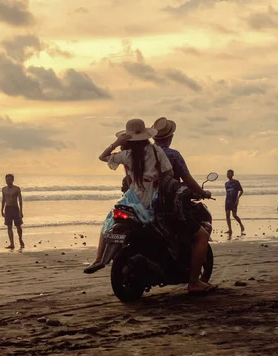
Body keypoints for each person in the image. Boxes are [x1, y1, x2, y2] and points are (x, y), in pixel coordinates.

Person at [84, 119, 173, 274]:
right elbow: (169, 172)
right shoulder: (156, 150)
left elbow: (103, 157)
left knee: (108, 222)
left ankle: (98, 258)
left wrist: (117, 142)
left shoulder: (126, 155)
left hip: (133, 196)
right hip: (152, 195)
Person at [152, 117, 216, 294]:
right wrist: (202, 193)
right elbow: (187, 179)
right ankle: (194, 282)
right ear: (170, 136)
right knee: (201, 236)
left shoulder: (146, 153)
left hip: (146, 207)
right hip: (169, 208)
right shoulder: (172, 155)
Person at [1, 174, 25, 250]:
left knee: (18, 226)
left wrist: (21, 211)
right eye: (7, 179)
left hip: (15, 208)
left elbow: (20, 200)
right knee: (9, 226)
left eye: (9, 179)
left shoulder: (17, 189)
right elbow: (3, 200)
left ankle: (20, 239)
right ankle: (12, 243)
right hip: (7, 209)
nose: (8, 181)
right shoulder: (4, 189)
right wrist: (1, 210)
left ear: (13, 180)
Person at [224, 170, 245, 236]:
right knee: (227, 215)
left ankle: (241, 225)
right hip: (227, 201)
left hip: (234, 201)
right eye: (227, 173)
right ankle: (230, 230)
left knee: (234, 215)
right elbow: (227, 193)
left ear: (232, 174)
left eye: (229, 173)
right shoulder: (226, 183)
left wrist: (238, 198)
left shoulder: (236, 182)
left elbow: (241, 191)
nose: (228, 175)